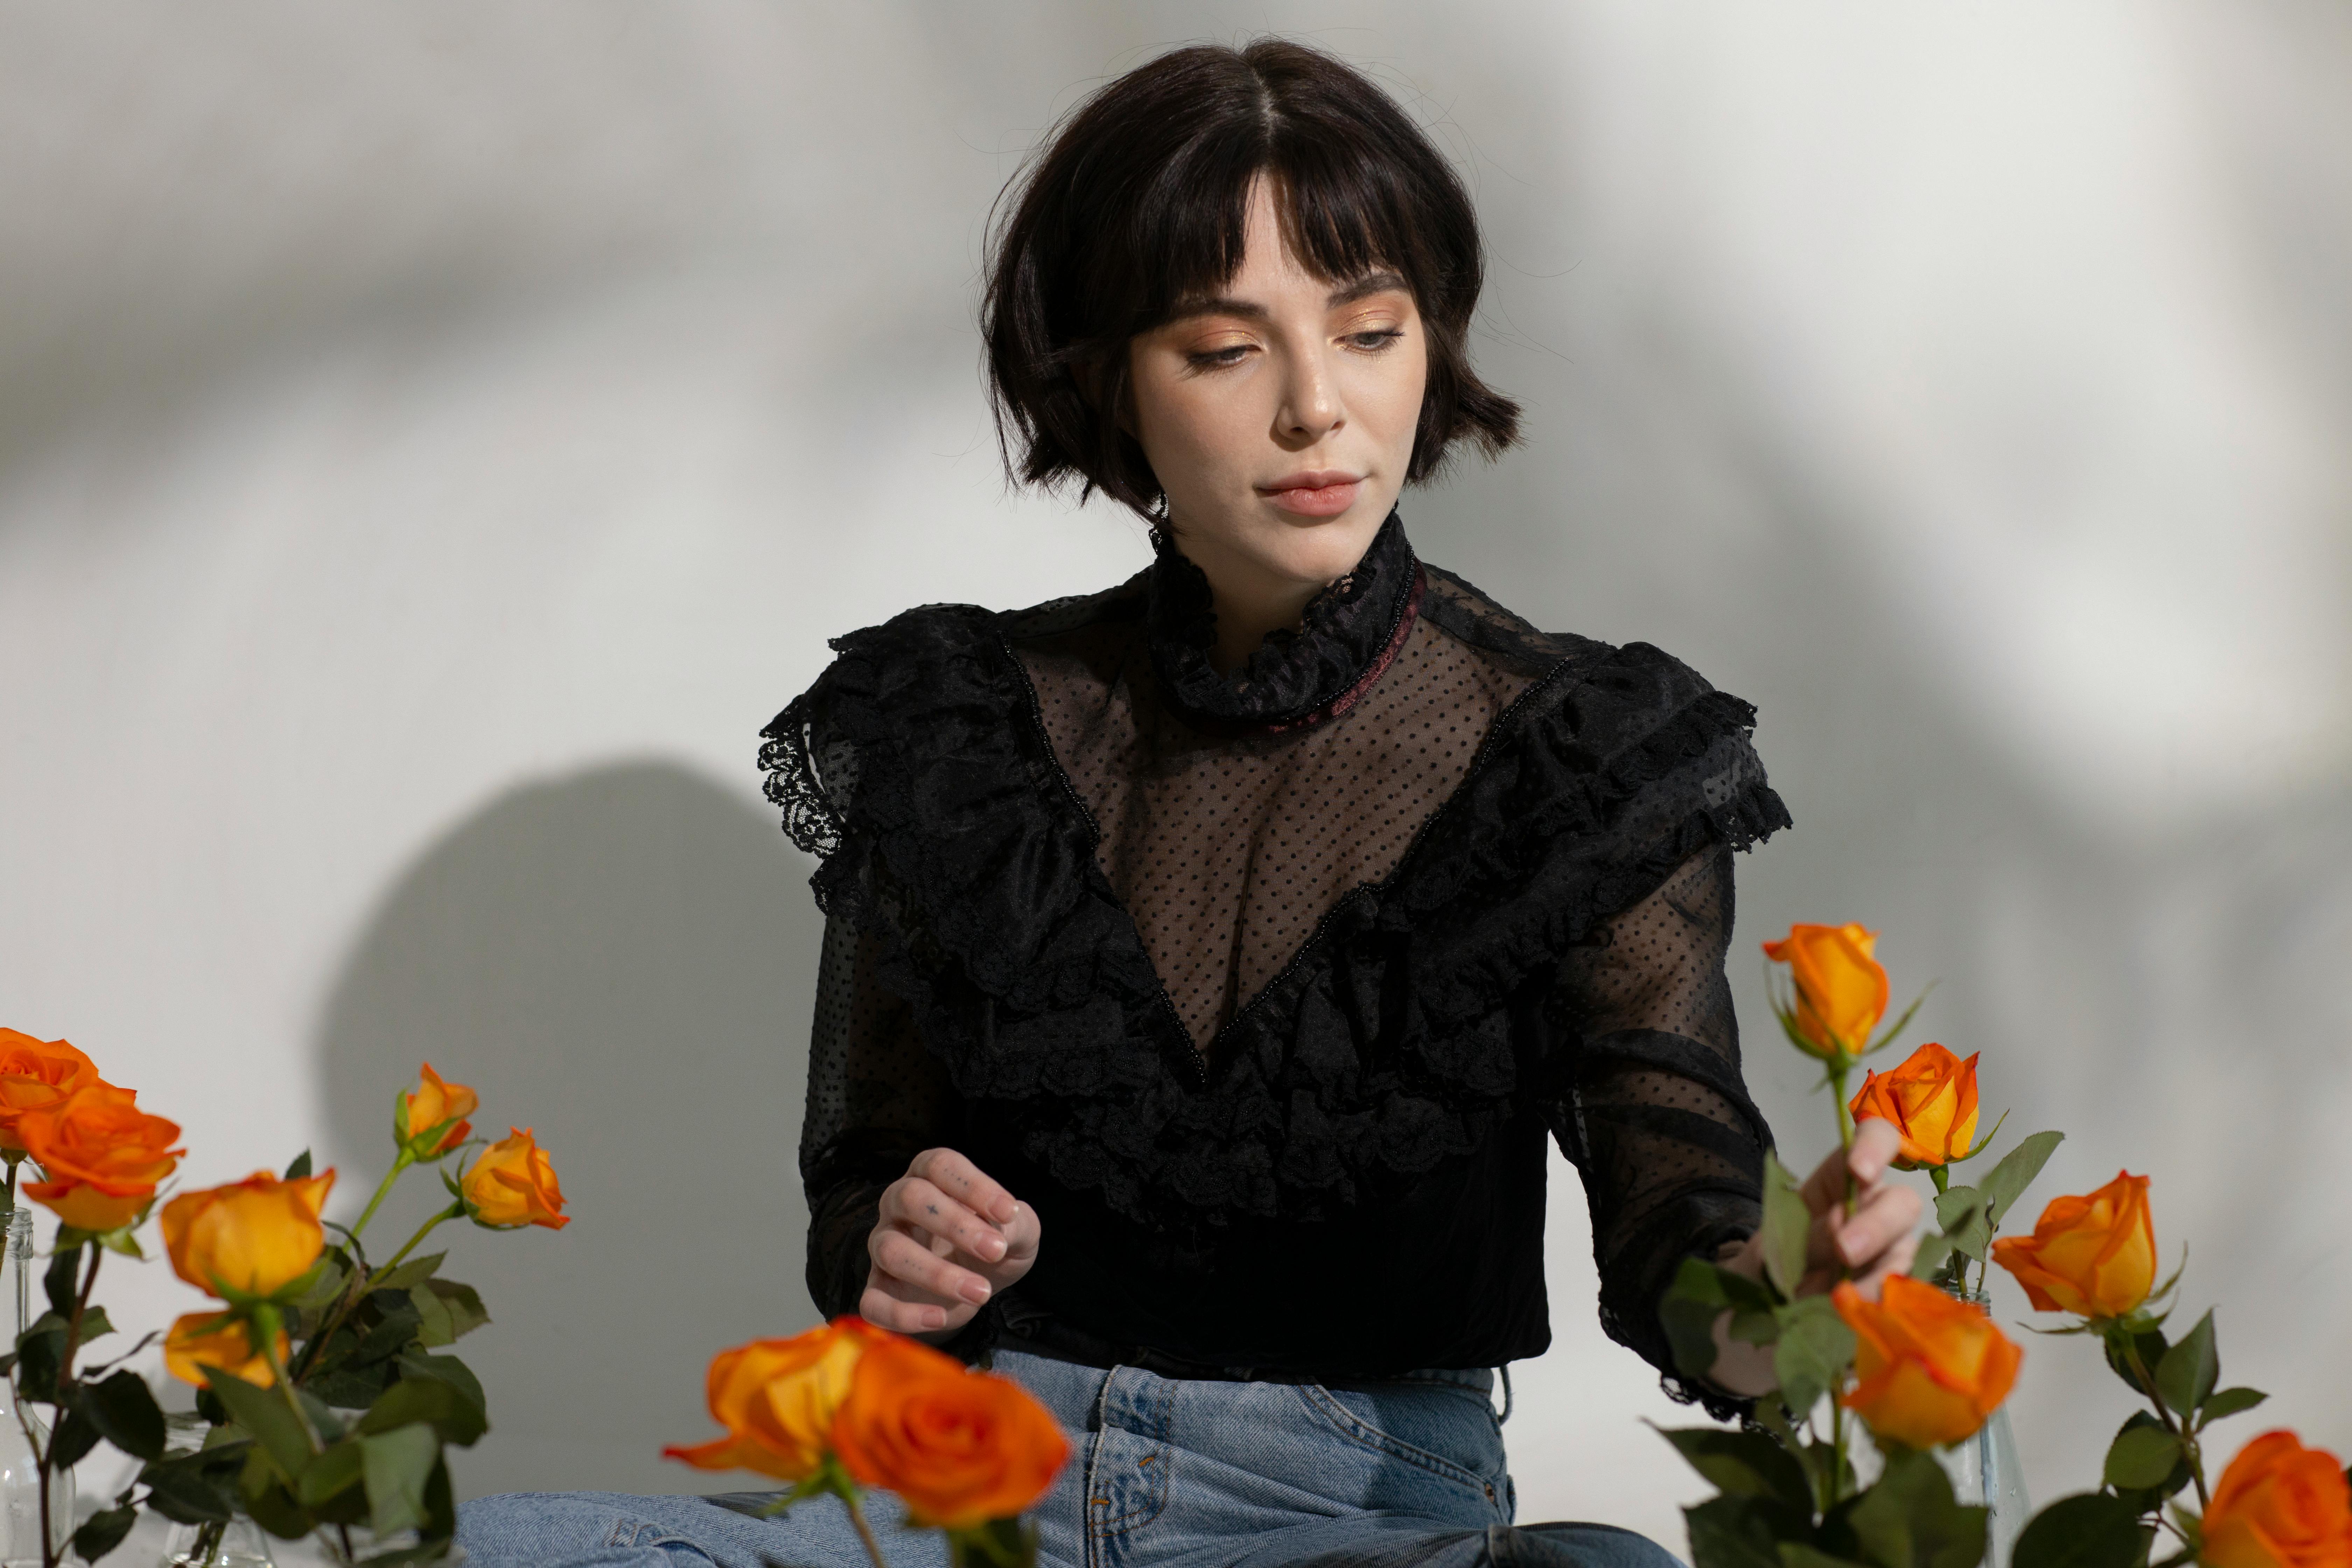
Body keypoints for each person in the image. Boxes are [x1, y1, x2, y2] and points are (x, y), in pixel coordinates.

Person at [456, 37, 1922, 1568]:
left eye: (1368, 331)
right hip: (969, 1490)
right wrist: (899, 1242)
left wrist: (1793, 1290)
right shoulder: (959, 729)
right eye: (1225, 351)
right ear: (1106, 381)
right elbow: (863, 1192)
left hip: (1357, 1521)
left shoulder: (1577, 759)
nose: (1317, 408)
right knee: (503, 1549)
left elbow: (1681, 1228)